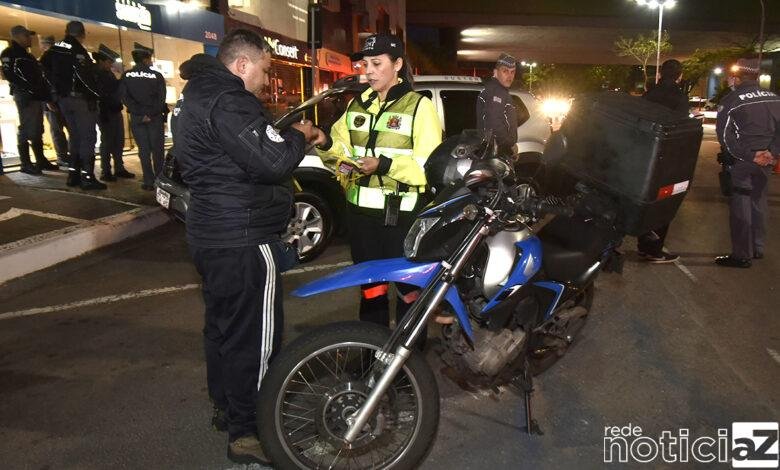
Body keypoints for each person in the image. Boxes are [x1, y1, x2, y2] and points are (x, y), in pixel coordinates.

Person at [175, 29, 324, 464]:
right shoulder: (229, 99)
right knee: (254, 341)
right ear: (242, 65)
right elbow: (273, 159)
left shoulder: (199, 94)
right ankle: (250, 431)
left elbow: (237, 152)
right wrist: (301, 135)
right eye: (263, 69)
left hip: (210, 233)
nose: (265, 79)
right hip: (241, 238)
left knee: (222, 330)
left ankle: (227, 408)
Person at [316, 33, 442, 328]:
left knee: (409, 292)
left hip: (402, 217)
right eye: (365, 64)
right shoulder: (357, 105)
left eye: (376, 63)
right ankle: (371, 359)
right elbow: (341, 154)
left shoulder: (419, 107)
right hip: (361, 218)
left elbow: (428, 168)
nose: (368, 71)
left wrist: (383, 165)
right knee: (371, 291)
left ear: (397, 64)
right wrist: (323, 143)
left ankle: (408, 367)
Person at [715, 57, 780, 268]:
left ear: (736, 77)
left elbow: (725, 137)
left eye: (729, 76)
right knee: (758, 201)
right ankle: (757, 248)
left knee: (740, 203)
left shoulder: (732, 100)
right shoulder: (774, 98)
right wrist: (772, 153)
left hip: (743, 160)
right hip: (767, 160)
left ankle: (742, 255)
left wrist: (750, 156)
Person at [42, 20, 105, 189]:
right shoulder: (77, 50)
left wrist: (53, 94)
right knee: (87, 137)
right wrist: (94, 95)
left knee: (75, 137)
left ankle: (73, 175)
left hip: (63, 100)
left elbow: (43, 69)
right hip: (80, 99)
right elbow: (84, 77)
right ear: (82, 34)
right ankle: (88, 176)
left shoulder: (55, 49)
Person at [637, 59, 689, 263]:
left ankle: (644, 243)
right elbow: (681, 129)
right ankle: (653, 250)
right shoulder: (679, 97)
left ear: (660, 75)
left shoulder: (649, 94)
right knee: (663, 203)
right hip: (666, 158)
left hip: (645, 154)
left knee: (646, 200)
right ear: (679, 76)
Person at [1, 25, 57, 175]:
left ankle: (40, 160)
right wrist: (29, 89)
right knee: (27, 128)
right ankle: (26, 163)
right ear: (17, 37)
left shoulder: (28, 56)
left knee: (37, 129)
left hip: (35, 96)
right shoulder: (10, 53)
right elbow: (10, 75)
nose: (29, 39)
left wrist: (46, 97)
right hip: (26, 96)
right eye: (26, 36)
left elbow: (40, 78)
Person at [119, 43, 166, 190]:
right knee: (157, 150)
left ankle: (148, 181)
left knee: (144, 150)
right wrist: (150, 113)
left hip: (137, 118)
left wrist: (140, 113)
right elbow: (161, 98)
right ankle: (160, 179)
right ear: (146, 59)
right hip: (154, 118)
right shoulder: (156, 76)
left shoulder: (127, 76)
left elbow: (125, 98)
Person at [93, 45, 134, 182]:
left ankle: (119, 168)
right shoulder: (96, 74)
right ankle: (106, 171)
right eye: (109, 62)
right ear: (101, 61)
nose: (110, 65)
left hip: (114, 110)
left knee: (118, 141)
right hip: (105, 111)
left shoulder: (107, 73)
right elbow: (104, 94)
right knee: (107, 142)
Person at [477, 52, 518, 155]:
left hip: (493, 148)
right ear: (495, 72)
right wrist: (509, 145)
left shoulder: (495, 89)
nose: (509, 76)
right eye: (505, 71)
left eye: (512, 72)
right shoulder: (497, 91)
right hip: (495, 151)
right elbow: (494, 123)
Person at [38, 35, 69, 167]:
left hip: (57, 99)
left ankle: (64, 155)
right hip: (54, 100)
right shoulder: (49, 59)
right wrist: (48, 100)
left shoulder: (49, 59)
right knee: (58, 129)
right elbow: (44, 82)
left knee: (60, 129)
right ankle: (63, 156)